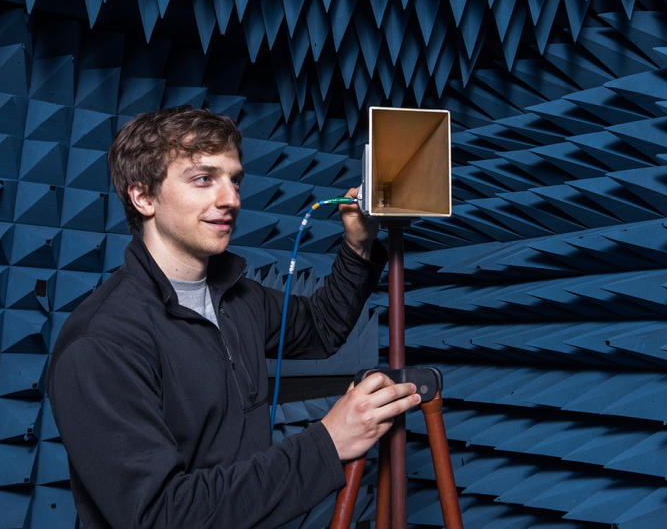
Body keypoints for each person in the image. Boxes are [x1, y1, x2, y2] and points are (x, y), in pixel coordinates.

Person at [46, 106, 420, 528]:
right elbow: (160, 517)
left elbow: (322, 327)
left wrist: (357, 247)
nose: (231, 199)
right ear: (143, 197)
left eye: (234, 178)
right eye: (204, 178)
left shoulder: (239, 299)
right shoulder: (101, 343)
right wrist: (327, 445)